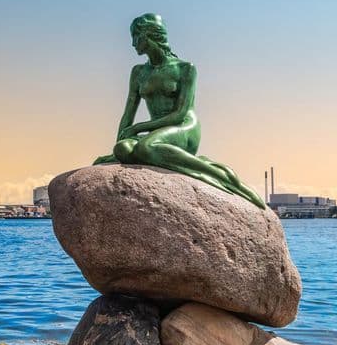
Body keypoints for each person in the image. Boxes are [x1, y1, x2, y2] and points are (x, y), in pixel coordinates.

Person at [94, 14, 265, 209]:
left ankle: (221, 175)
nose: (133, 43)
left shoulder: (185, 69)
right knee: (123, 149)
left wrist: (138, 128)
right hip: (158, 132)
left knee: (146, 147)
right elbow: (128, 115)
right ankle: (182, 159)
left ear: (151, 36)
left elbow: (180, 114)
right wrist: (116, 147)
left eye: (136, 36)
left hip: (183, 127)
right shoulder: (138, 72)